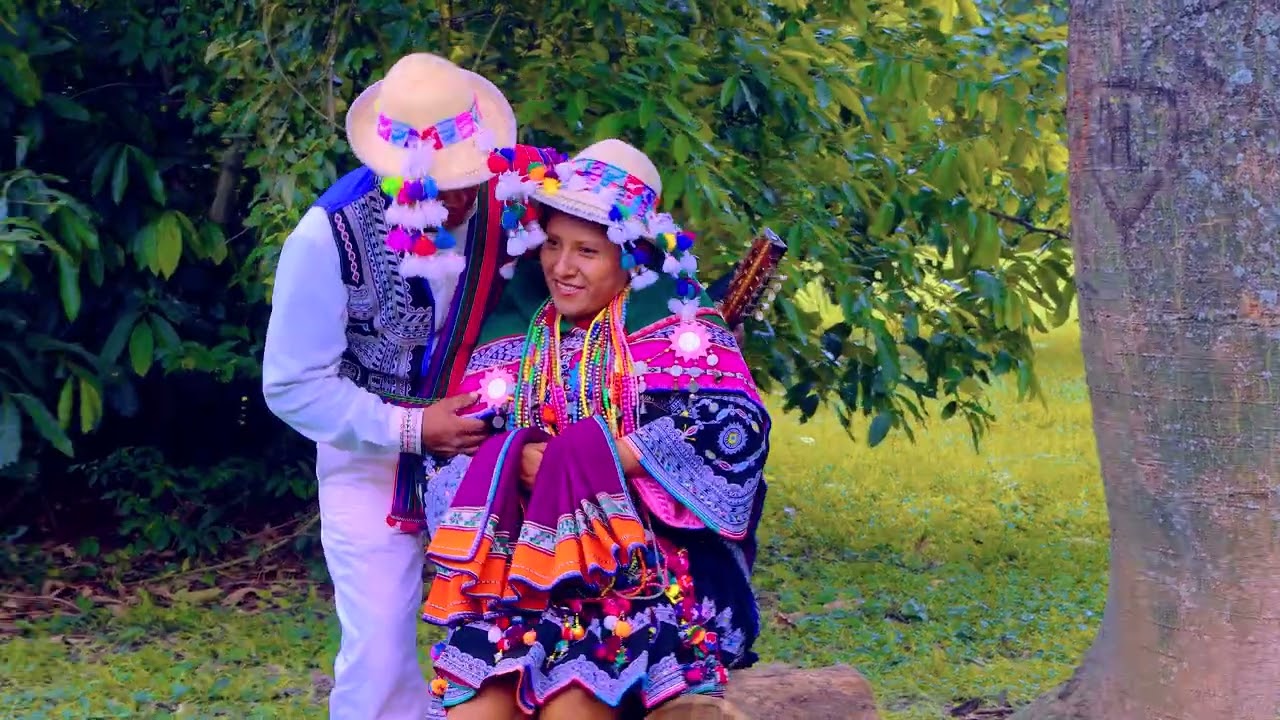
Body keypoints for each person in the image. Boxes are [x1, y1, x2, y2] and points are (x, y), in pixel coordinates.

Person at [417, 139, 770, 719]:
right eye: (553, 244)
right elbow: (456, 445)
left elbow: (734, 430)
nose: (562, 267)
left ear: (632, 257)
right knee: (475, 710)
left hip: (638, 574)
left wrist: (598, 459)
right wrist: (510, 460)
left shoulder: (680, 331)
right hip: (520, 574)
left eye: (587, 251)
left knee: (575, 705)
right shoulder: (519, 327)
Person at [262, 53, 563, 719]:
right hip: (368, 450)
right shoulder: (328, 235)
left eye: (469, 174)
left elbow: (603, 235)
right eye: (441, 183)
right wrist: (413, 428)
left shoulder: (515, 192)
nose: (461, 196)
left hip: (492, 449)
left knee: (512, 632)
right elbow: (292, 385)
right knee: (378, 653)